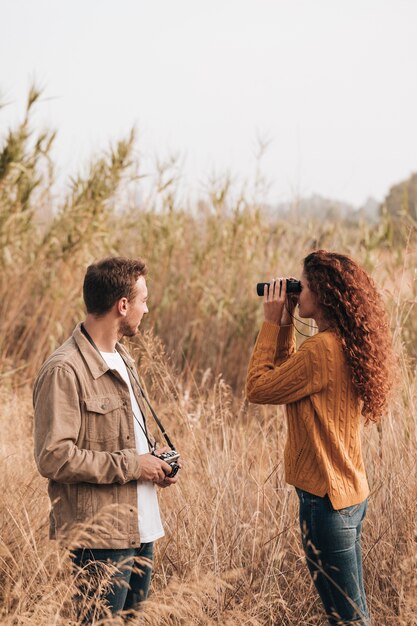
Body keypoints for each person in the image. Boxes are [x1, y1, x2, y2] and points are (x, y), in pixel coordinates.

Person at [246, 250, 394, 625]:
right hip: (349, 496)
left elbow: (259, 387)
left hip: (325, 502)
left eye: (303, 285)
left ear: (324, 294)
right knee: (354, 613)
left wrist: (270, 324)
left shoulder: (320, 350)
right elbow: (291, 378)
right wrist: (287, 321)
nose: (297, 290)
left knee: (347, 618)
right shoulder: (344, 341)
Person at [33, 256, 181, 622]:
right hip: (101, 539)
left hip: (142, 529)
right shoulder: (64, 369)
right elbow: (54, 456)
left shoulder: (123, 358)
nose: (147, 309)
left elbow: (119, 437)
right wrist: (135, 464)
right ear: (123, 305)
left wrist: (155, 458)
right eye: (143, 300)